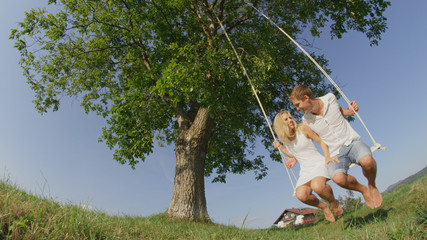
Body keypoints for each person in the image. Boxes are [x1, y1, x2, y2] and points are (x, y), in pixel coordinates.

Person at [289, 85, 382, 209]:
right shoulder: (306, 120)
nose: (297, 108)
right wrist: (295, 157)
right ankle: (363, 190)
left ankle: (371, 185)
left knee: (367, 161)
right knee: (338, 179)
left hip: (351, 143)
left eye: (297, 104)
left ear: (306, 98)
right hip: (335, 154)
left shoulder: (330, 99)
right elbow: (306, 141)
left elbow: (339, 111)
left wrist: (350, 111)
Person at [273, 110, 343, 222]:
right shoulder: (285, 139)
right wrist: (281, 148)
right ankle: (324, 207)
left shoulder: (302, 129)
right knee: (301, 195)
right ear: (280, 124)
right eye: (286, 119)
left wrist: (327, 157)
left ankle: (333, 202)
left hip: (318, 163)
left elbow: (321, 141)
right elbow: (295, 153)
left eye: (290, 117)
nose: (290, 120)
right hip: (305, 170)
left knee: (317, 186)